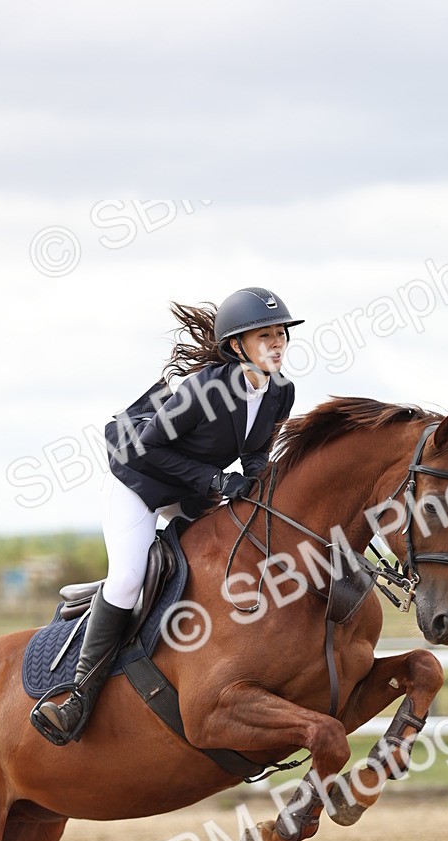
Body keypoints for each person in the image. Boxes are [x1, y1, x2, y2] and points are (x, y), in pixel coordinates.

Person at [32, 287, 303, 746]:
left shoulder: (280, 392)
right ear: (237, 346)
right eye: (266, 336)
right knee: (126, 580)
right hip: (138, 484)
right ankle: (78, 693)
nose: (278, 343)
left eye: (281, 335)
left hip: (192, 492)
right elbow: (147, 448)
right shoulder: (207, 389)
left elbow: (256, 452)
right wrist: (218, 482)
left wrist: (266, 488)